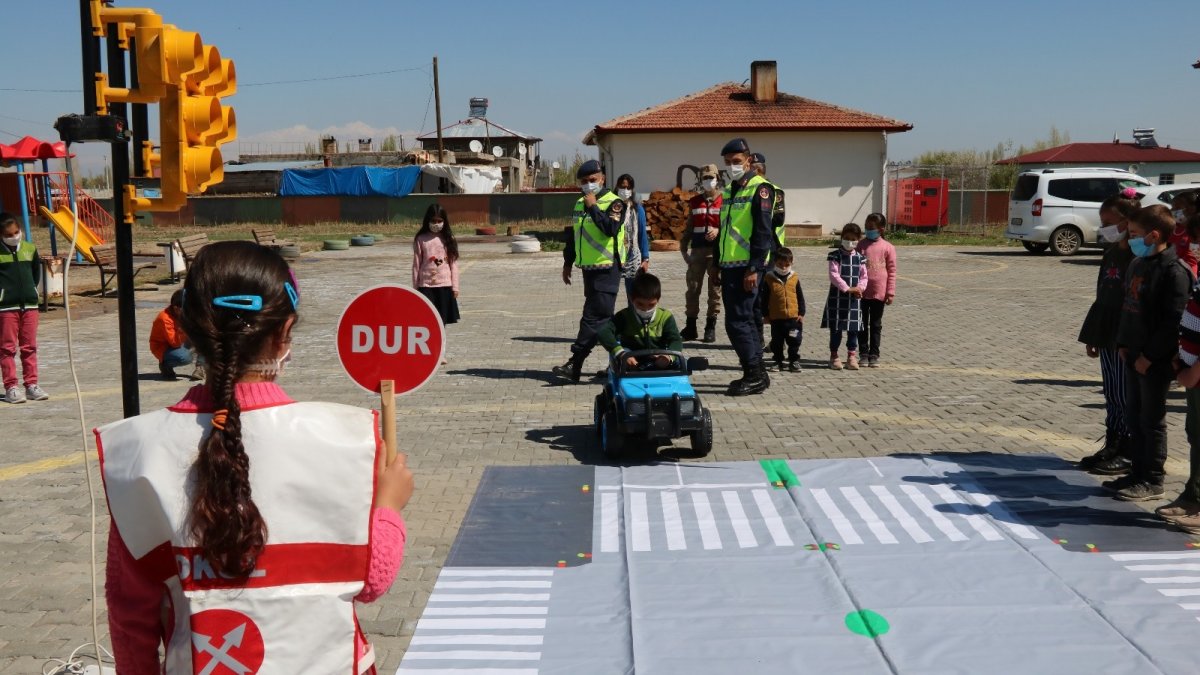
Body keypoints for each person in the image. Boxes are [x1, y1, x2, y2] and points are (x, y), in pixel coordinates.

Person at [98, 241, 414, 673]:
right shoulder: (346, 440)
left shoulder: (137, 452)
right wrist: (388, 508)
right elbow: (372, 580)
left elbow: (129, 609)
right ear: (285, 332)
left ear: (187, 327)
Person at [1106, 205, 1193, 502]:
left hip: (1154, 361)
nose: (1130, 239)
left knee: (1151, 420)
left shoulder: (1173, 271)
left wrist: (1150, 356)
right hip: (1132, 354)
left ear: (1154, 235)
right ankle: (1137, 471)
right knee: (1134, 416)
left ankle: (1153, 479)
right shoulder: (1137, 264)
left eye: (1134, 234)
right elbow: (1128, 308)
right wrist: (1122, 343)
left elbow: (1174, 322)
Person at [1077, 190, 1139, 475]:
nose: (1104, 228)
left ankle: (1128, 449)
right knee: (1112, 391)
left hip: (1126, 332)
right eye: (1102, 222)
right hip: (1107, 330)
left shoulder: (1137, 257)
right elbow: (1102, 294)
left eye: (1110, 223)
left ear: (1128, 222)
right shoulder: (1111, 251)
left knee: (1126, 394)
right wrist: (1094, 335)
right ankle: (1113, 442)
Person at [554, 159, 627, 382]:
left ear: (602, 179)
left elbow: (610, 229)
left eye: (592, 180)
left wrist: (594, 207)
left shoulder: (615, 202)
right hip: (588, 269)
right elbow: (574, 236)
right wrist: (567, 263)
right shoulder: (579, 203)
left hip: (607, 268)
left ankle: (574, 363)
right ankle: (619, 360)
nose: (588, 184)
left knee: (593, 317)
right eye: (584, 181)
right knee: (603, 319)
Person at [716, 138, 776, 396]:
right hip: (730, 265)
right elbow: (725, 231)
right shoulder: (730, 190)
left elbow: (763, 232)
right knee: (747, 320)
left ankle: (752, 374)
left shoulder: (760, 189)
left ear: (749, 161)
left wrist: (754, 268)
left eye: (737, 161)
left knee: (737, 322)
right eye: (728, 162)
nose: (732, 166)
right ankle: (758, 373)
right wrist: (717, 264)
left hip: (746, 267)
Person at [1166, 257, 1200, 533]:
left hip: (1197, 374)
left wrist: (1193, 371)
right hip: (1194, 375)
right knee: (1196, 436)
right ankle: (1193, 497)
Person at [0, 212, 48, 404]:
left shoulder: (30, 249)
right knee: (7, 348)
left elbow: (35, 273)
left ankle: (31, 385)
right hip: (6, 308)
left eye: (16, 232)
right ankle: (11, 387)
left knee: (29, 347)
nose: (14, 237)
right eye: (8, 234)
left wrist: (31, 292)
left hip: (29, 305)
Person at [597, 272, 683, 370]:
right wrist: (621, 353)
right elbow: (603, 332)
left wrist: (668, 357)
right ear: (631, 299)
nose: (646, 309)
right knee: (618, 363)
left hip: (659, 359)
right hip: (631, 359)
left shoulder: (665, 317)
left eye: (651, 305)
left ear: (658, 300)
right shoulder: (624, 316)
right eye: (640, 304)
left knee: (681, 362)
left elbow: (675, 340)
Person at [680, 164, 722, 343]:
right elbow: (690, 226)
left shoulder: (725, 200)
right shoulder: (695, 201)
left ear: (717, 179)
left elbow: (730, 224)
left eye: (711, 177)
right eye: (705, 178)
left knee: (715, 291)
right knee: (693, 288)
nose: (708, 181)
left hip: (716, 252)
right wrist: (683, 247)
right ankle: (691, 327)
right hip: (697, 251)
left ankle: (710, 327)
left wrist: (718, 230)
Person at [749, 152, 786, 349]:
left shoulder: (774, 191)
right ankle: (758, 337)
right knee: (756, 298)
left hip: (772, 249)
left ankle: (776, 340)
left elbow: (779, 219)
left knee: (771, 295)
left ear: (759, 170)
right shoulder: (746, 191)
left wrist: (760, 214)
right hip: (753, 249)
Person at [822, 223, 868, 371]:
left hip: (854, 299)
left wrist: (860, 288)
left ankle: (851, 356)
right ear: (842, 238)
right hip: (837, 298)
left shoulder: (860, 258)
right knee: (836, 329)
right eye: (847, 238)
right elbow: (834, 275)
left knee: (853, 329)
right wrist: (847, 289)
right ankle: (834, 356)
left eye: (853, 239)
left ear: (858, 240)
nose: (850, 242)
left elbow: (864, 277)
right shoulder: (835, 256)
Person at [856, 213, 897, 368]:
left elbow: (892, 271)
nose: (868, 230)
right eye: (866, 227)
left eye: (871, 227)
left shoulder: (888, 247)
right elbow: (855, 267)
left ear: (881, 229)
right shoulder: (861, 245)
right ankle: (863, 353)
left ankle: (874, 354)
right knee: (861, 324)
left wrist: (890, 292)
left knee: (875, 324)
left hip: (879, 293)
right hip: (861, 293)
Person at [413, 203, 461, 327]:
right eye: (433, 221)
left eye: (439, 221)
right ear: (427, 220)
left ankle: (441, 338)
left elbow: (453, 264)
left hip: (444, 286)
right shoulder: (421, 239)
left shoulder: (448, 239)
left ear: (444, 221)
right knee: (426, 319)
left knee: (441, 321)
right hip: (426, 286)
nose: (436, 224)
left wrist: (455, 287)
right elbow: (416, 264)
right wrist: (415, 287)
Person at [760, 247, 805, 372]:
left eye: (787, 264)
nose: (784, 267)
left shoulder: (794, 277)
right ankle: (778, 361)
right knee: (777, 342)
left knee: (794, 340)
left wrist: (801, 313)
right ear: (775, 262)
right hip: (776, 319)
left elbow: (800, 296)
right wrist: (765, 315)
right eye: (780, 264)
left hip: (793, 319)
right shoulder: (769, 278)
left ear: (791, 263)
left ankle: (794, 361)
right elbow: (764, 299)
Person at [615, 173, 650, 303]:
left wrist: (645, 258)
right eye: (622, 187)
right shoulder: (612, 208)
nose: (625, 190)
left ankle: (633, 315)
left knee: (633, 295)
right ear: (617, 187)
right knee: (609, 295)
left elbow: (642, 234)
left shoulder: (638, 209)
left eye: (628, 187)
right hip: (613, 257)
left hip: (632, 257)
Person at [149, 289, 197, 381]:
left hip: (180, 341)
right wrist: (184, 327)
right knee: (185, 357)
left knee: (205, 340)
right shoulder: (165, 318)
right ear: (176, 308)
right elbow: (175, 343)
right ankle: (165, 364)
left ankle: (200, 368)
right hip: (163, 348)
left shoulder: (182, 314)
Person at [1170, 190, 1199, 276]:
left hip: (1185, 274)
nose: (1172, 210)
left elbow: (1196, 257)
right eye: (1172, 207)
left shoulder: (1196, 232)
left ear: (1192, 209)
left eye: (1177, 207)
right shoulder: (1173, 227)